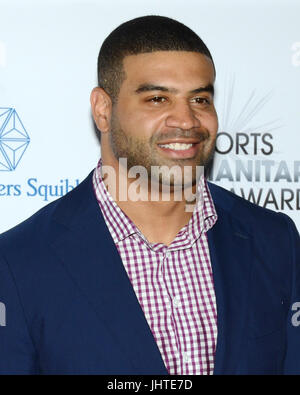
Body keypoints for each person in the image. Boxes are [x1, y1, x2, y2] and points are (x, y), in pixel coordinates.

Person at [0, 15, 299, 375]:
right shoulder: (17, 263)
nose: (187, 120)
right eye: (158, 99)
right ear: (103, 110)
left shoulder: (274, 239)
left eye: (200, 99)